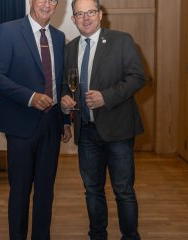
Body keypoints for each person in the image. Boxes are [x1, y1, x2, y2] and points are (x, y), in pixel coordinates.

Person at [61, 0, 145, 239]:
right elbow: (67, 85)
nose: (85, 18)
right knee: (92, 190)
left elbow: (138, 77)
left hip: (117, 130)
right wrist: (66, 98)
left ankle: (130, 236)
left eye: (90, 12)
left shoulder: (121, 40)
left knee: (124, 191)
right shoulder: (70, 48)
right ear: (74, 19)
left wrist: (105, 97)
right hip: (86, 131)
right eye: (79, 14)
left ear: (100, 14)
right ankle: (97, 235)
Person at [0, 0, 71, 239]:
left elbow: (61, 82)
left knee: (45, 192)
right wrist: (30, 97)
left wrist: (65, 120)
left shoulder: (58, 36)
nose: (47, 4)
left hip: (52, 124)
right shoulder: (9, 30)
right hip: (21, 125)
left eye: (53, 0)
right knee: (20, 192)